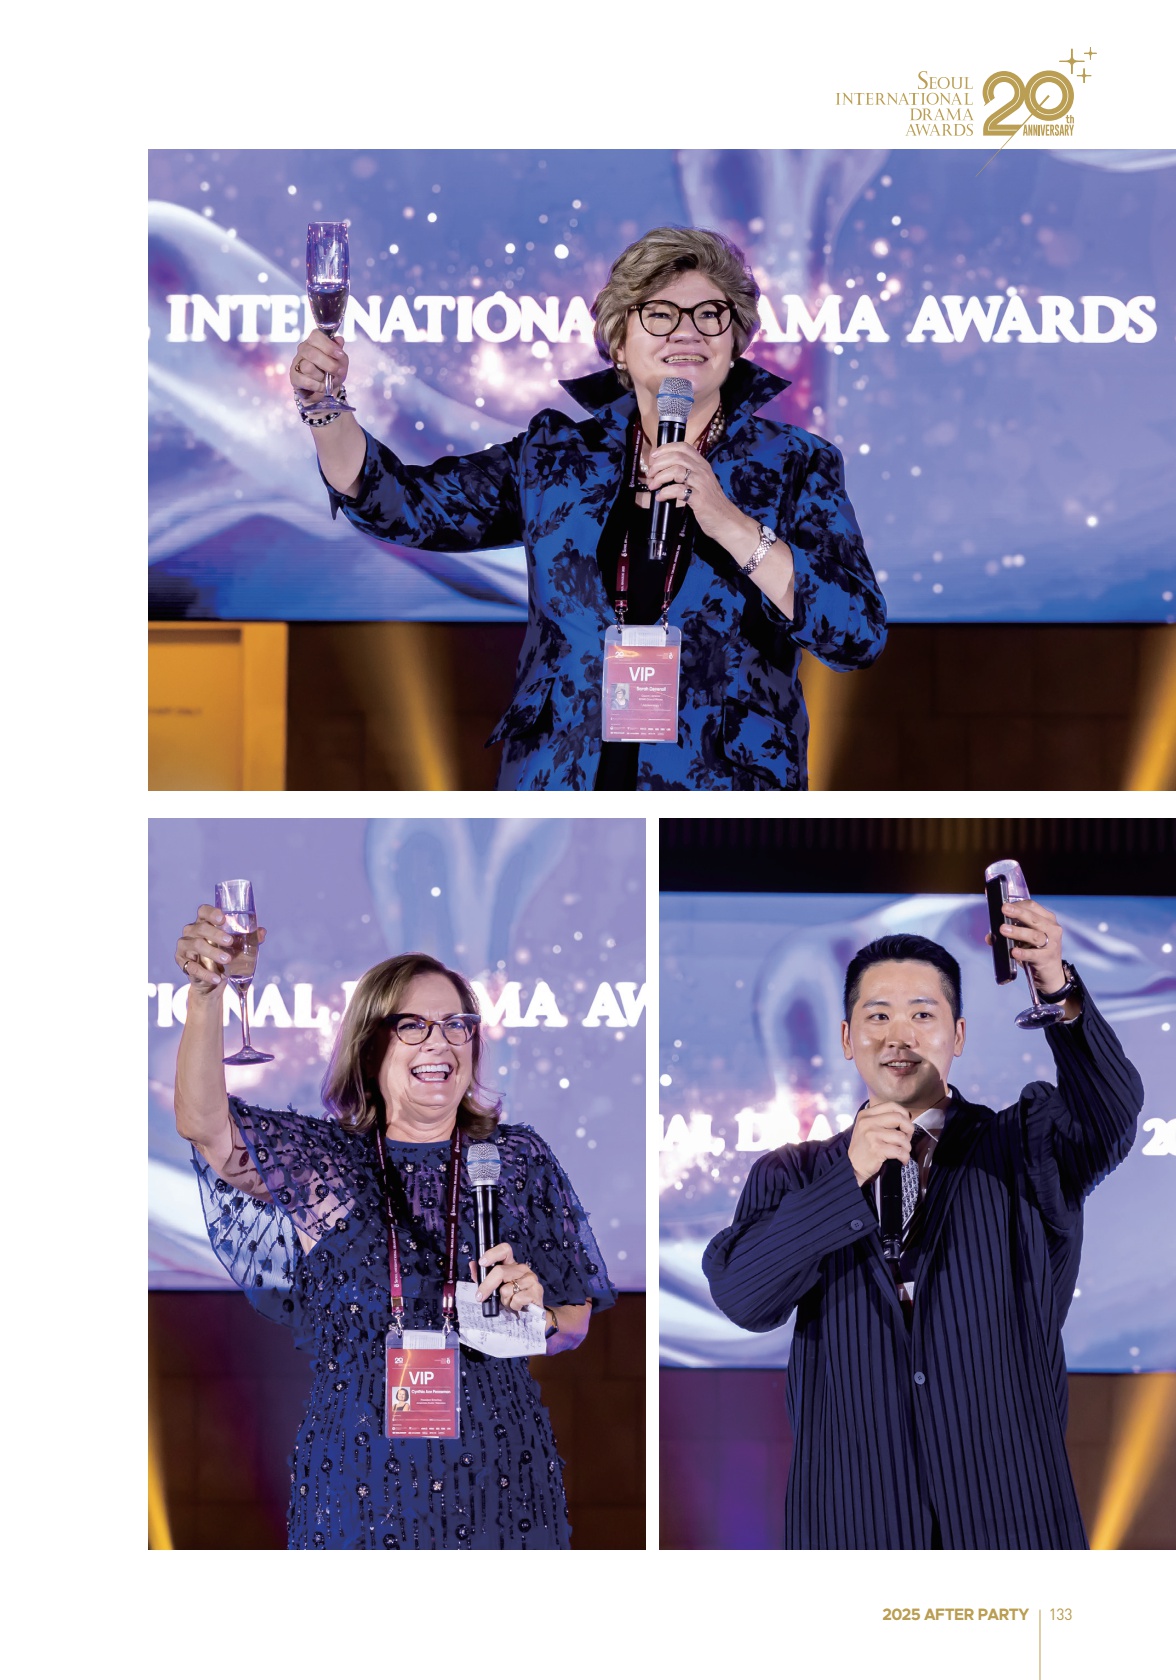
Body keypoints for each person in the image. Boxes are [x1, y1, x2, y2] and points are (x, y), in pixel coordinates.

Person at [289, 226, 887, 791]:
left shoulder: (795, 463)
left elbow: (856, 633)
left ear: (735, 344)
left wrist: (730, 523)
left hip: (718, 797)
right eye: (660, 314)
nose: (687, 332)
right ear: (620, 344)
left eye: (710, 314)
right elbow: (403, 506)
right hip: (564, 786)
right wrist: (325, 406)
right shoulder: (555, 456)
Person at [174, 903, 614, 1550]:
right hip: (361, 1481)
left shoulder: (515, 1159)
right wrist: (207, 994)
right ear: (370, 1044)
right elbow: (205, 1124)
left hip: (500, 1479)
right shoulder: (327, 1163)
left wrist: (533, 1315)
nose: (441, 1042)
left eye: (456, 1025)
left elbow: (572, 1322)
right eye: (414, 1026)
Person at [703, 903, 1143, 1549]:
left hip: (1011, 1518)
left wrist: (1056, 986)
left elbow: (1110, 1113)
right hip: (854, 1524)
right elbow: (744, 1297)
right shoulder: (794, 1174)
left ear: (957, 1035)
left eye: (922, 1014)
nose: (899, 1036)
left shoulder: (1023, 1145)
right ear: (847, 1037)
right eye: (878, 1016)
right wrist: (846, 1177)